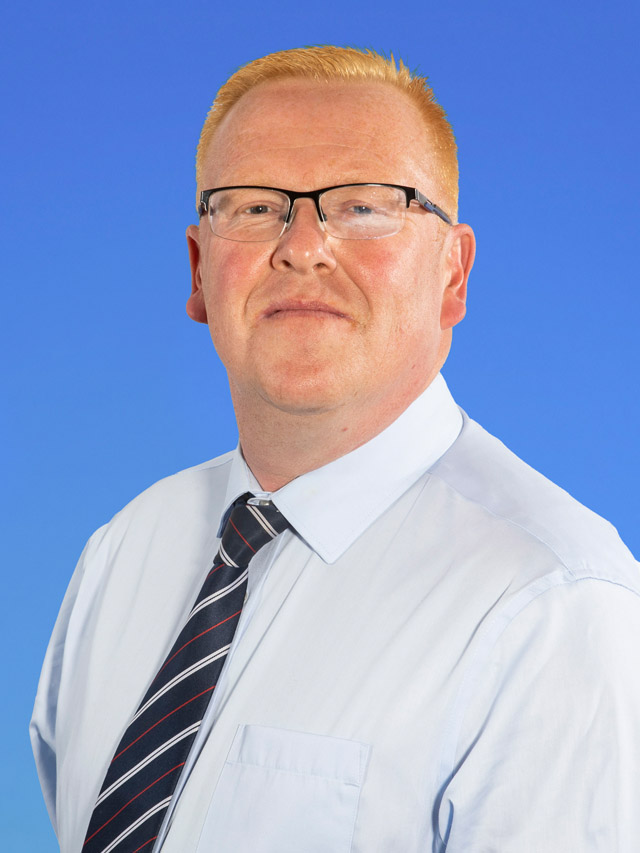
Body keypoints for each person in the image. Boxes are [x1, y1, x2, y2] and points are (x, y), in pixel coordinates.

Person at [31, 45, 640, 853]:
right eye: (254, 207)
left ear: (453, 274)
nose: (302, 245)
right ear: (200, 270)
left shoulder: (554, 606)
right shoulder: (124, 552)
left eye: (363, 207)